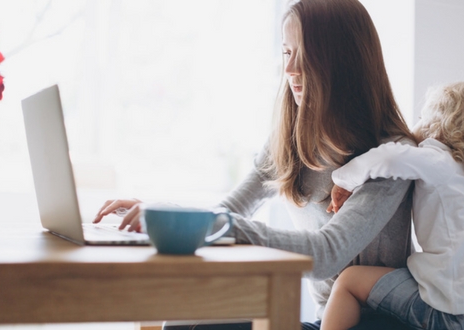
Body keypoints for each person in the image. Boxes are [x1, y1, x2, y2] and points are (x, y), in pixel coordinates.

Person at [93, 0, 416, 329]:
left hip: (380, 322)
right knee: (184, 324)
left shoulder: (395, 157)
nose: (290, 70)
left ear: (344, 60)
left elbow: (325, 254)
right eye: (286, 52)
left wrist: (210, 223)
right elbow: (228, 210)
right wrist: (166, 216)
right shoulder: (291, 139)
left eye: (304, 53)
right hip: (324, 322)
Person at [321, 82, 464, 330]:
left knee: (348, 281)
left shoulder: (438, 160)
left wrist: (343, 180)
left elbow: (389, 157)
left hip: (452, 313)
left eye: (422, 117)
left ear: (439, 125)